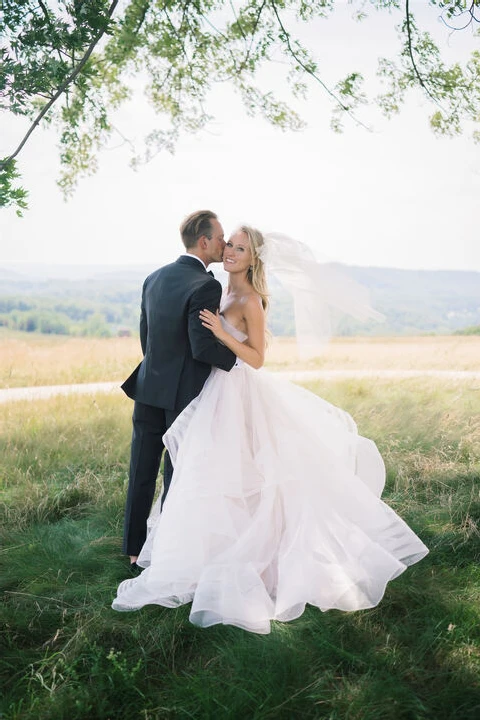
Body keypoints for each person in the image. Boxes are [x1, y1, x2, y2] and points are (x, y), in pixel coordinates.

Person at [113, 226, 428, 634]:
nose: (230, 251)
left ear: (253, 259)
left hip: (236, 391)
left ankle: (258, 556)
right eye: (229, 243)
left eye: (240, 248)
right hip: (210, 391)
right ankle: (204, 551)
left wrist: (223, 334)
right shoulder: (215, 290)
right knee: (209, 475)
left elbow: (258, 359)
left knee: (243, 475)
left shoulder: (250, 300)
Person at [120, 210, 236, 571]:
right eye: (220, 237)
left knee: (141, 469)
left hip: (147, 388)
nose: (224, 243)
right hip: (182, 396)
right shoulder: (206, 285)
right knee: (178, 474)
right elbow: (202, 347)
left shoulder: (153, 278)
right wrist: (235, 358)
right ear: (204, 242)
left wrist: (158, 370)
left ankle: (134, 549)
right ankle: (167, 552)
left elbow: (146, 336)